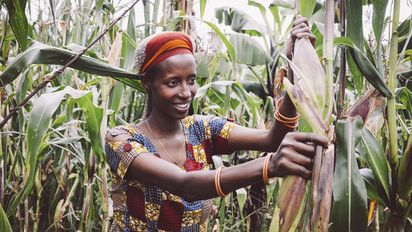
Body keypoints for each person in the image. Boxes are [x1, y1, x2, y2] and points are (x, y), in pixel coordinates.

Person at [105, 15, 327, 232]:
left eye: (191, 80)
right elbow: (186, 186)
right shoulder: (122, 141)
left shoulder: (202, 129)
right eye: (172, 82)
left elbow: (272, 140)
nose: (185, 92)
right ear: (147, 83)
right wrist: (270, 166)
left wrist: (294, 68)